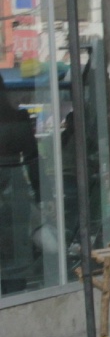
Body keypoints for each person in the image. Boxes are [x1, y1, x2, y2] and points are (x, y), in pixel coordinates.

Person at [0, 73, 40, 296]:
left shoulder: (17, 119)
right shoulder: (18, 118)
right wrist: (44, 197)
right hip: (16, 194)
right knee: (16, 258)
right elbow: (33, 161)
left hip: (14, 193)